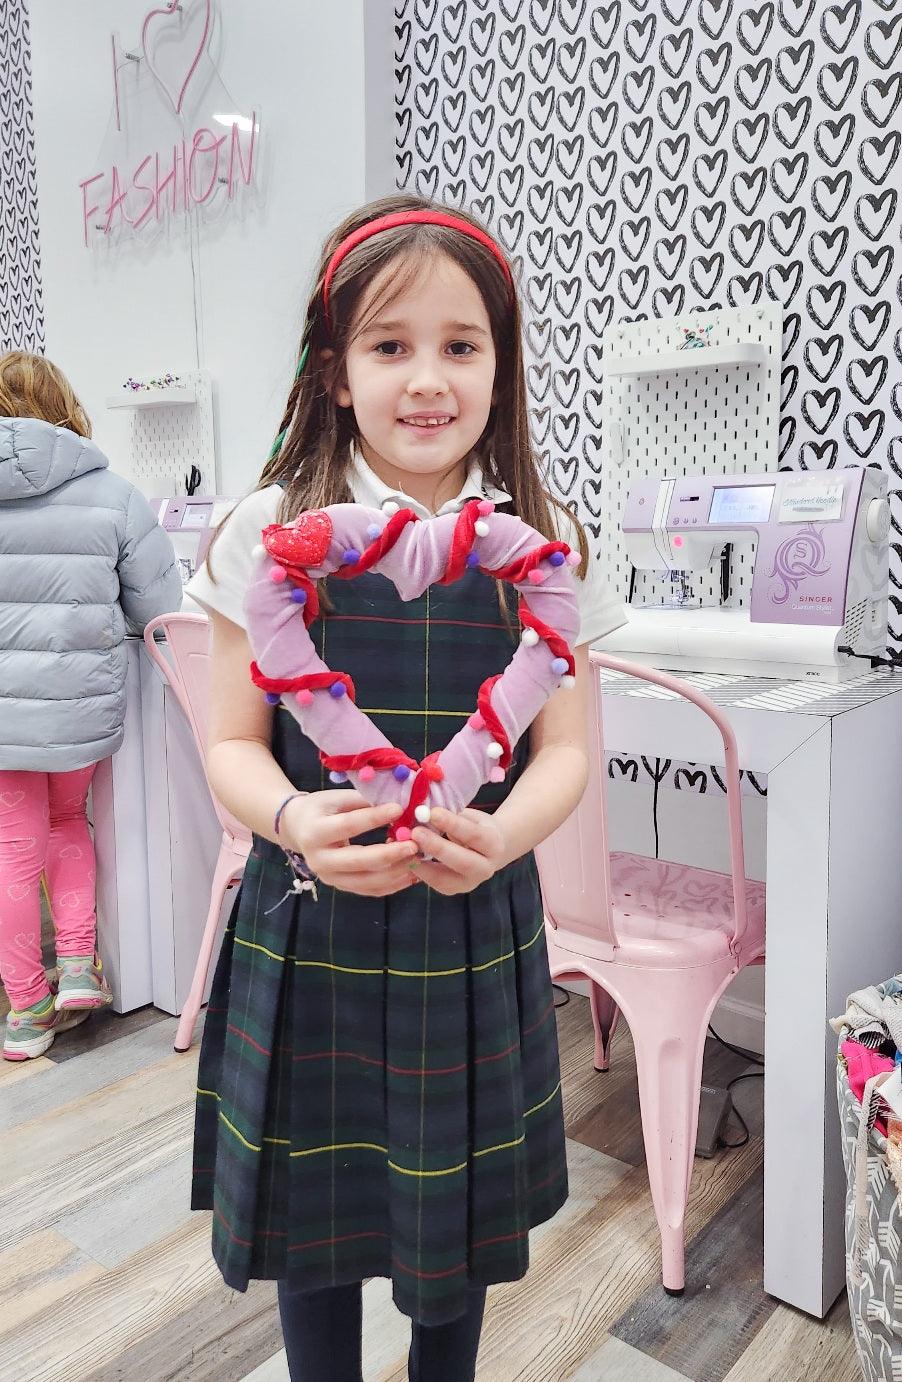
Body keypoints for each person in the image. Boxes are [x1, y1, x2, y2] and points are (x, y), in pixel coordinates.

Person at [185, 194, 625, 1382]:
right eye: (389, 344)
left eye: (459, 344)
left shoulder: (542, 539)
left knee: (455, 1221)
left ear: (499, 365)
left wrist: (501, 833)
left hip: (470, 922)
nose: (426, 378)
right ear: (335, 370)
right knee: (312, 1220)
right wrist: (292, 817)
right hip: (308, 919)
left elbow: (564, 750)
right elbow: (230, 742)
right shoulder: (268, 531)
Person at [0, 351, 182, 1060]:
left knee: (12, 854)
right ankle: (78, 965)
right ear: (65, 408)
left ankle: (26, 1009)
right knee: (67, 820)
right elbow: (160, 605)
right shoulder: (113, 494)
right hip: (80, 706)